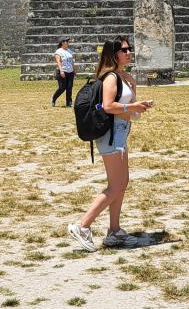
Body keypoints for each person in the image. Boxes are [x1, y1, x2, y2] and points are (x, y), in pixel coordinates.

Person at [67, 36, 153, 251]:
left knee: (122, 183)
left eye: (129, 49)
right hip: (111, 133)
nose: (129, 52)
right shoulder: (111, 77)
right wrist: (133, 105)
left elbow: (127, 105)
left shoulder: (123, 76)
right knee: (115, 186)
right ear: (114, 53)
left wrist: (134, 96)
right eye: (124, 50)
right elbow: (107, 106)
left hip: (121, 132)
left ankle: (114, 231)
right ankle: (82, 226)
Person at [51, 38, 75, 108]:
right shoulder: (58, 51)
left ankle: (69, 103)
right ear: (62, 43)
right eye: (66, 41)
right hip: (62, 71)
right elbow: (58, 62)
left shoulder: (69, 51)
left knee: (69, 88)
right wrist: (61, 71)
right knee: (62, 87)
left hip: (70, 71)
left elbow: (72, 61)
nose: (68, 43)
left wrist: (74, 70)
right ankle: (53, 98)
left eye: (68, 41)